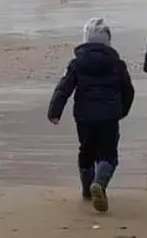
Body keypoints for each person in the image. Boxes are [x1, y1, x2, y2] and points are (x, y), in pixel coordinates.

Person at [48, 18, 135, 213]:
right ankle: (100, 183)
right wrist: (122, 111)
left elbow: (64, 88)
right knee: (108, 154)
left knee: (86, 151)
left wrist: (55, 110)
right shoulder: (117, 64)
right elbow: (128, 90)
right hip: (109, 116)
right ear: (108, 41)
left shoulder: (77, 63)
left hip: (84, 117)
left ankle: (87, 189)